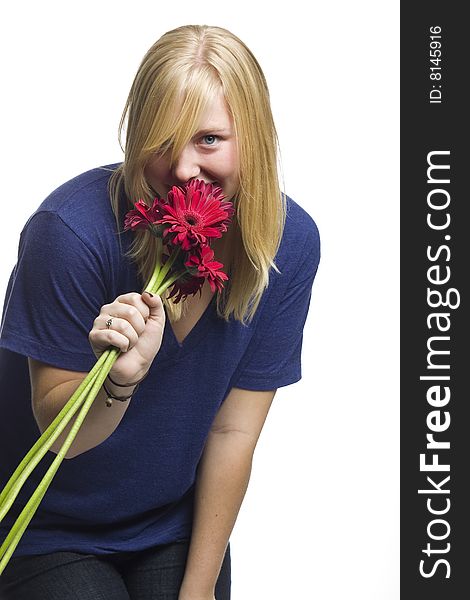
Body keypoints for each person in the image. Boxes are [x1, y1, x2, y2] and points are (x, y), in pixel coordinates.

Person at [0, 24, 320, 600]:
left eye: (209, 140)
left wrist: (196, 594)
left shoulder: (287, 245)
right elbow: (58, 437)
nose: (181, 169)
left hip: (165, 522)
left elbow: (232, 432)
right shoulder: (70, 232)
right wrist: (118, 382)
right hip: (43, 525)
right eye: (160, 142)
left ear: (256, 137)